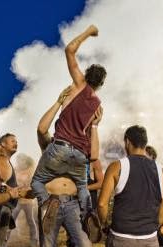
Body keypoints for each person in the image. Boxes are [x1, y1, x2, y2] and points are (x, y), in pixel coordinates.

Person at [31, 24, 106, 221]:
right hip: (80, 154)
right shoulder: (98, 106)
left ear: (87, 74)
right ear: (101, 84)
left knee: (37, 182)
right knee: (82, 187)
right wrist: (96, 124)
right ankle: (88, 214)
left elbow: (69, 49)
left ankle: (47, 205)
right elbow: (93, 147)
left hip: (61, 146)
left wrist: (89, 32)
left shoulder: (79, 84)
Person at [37, 87, 100, 247]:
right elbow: (42, 129)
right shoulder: (51, 145)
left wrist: (94, 126)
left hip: (72, 204)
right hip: (50, 202)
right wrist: (58, 102)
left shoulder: (80, 149)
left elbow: (94, 155)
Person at [98, 125, 163, 247]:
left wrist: (105, 225)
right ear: (145, 143)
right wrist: (153, 228)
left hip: (122, 239)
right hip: (149, 240)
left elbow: (102, 204)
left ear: (127, 142)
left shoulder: (116, 166)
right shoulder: (162, 171)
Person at [0, 133, 20, 247]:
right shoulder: (2, 160)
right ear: (2, 144)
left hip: (5, 211)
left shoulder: (5, 160)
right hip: (2, 211)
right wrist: (15, 191)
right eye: (12, 141)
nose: (16, 143)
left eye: (16, 141)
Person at [11, 153, 39, 247]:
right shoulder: (14, 169)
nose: (20, 161)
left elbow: (32, 185)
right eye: (19, 160)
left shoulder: (30, 170)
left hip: (27, 202)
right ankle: (5, 242)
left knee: (31, 221)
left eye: (21, 160)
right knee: (12, 219)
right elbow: (12, 183)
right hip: (17, 200)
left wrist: (25, 186)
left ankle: (34, 243)